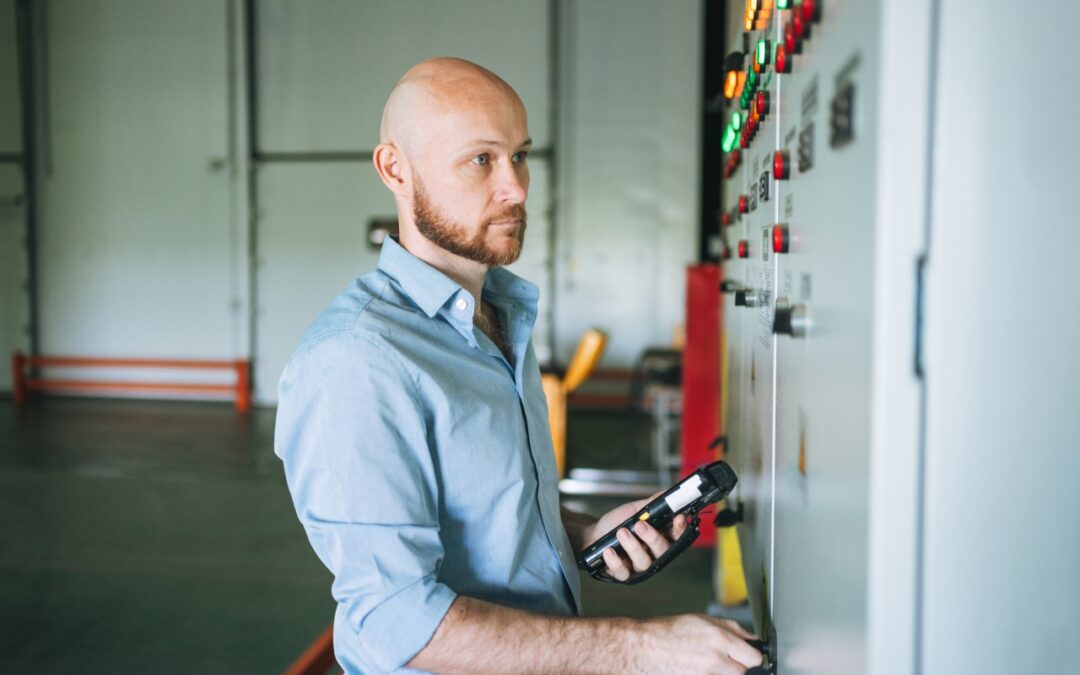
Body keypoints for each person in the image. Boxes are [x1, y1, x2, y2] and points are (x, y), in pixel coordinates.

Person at [275, 57, 763, 675]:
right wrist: (641, 649)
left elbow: (488, 509)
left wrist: (586, 534)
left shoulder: (501, 314)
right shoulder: (355, 359)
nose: (516, 187)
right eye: (481, 159)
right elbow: (400, 622)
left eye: (521, 156)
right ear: (395, 169)